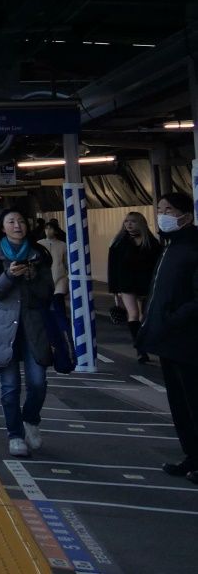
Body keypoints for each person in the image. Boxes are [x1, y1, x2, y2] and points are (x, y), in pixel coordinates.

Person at [0, 208, 55, 458]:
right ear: (2, 227)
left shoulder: (39, 254)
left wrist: (34, 277)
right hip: (4, 327)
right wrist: (9, 276)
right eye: (11, 221)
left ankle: (31, 420)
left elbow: (47, 292)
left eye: (21, 220)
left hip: (33, 327)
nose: (17, 225)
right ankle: (15, 435)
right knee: (10, 387)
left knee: (38, 383)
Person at [137, 192, 198, 481]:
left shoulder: (194, 247)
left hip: (188, 340)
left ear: (185, 215)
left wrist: (172, 320)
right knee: (179, 404)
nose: (162, 214)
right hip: (168, 340)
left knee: (193, 401)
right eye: (159, 208)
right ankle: (192, 456)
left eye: (169, 209)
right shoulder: (170, 247)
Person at [110, 212, 162, 363]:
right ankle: (140, 349)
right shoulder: (119, 243)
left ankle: (143, 344)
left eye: (132, 221)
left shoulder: (152, 243)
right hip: (127, 283)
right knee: (133, 314)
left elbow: (157, 265)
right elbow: (113, 268)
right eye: (126, 221)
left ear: (141, 223)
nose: (129, 224)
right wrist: (115, 290)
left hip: (146, 283)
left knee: (144, 316)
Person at [42, 220, 69, 317]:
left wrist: (69, 275)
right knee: (45, 307)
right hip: (44, 280)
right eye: (46, 228)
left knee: (59, 304)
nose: (48, 231)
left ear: (56, 231)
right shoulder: (39, 244)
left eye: (51, 228)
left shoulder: (63, 245)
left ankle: (65, 329)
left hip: (60, 278)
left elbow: (66, 262)